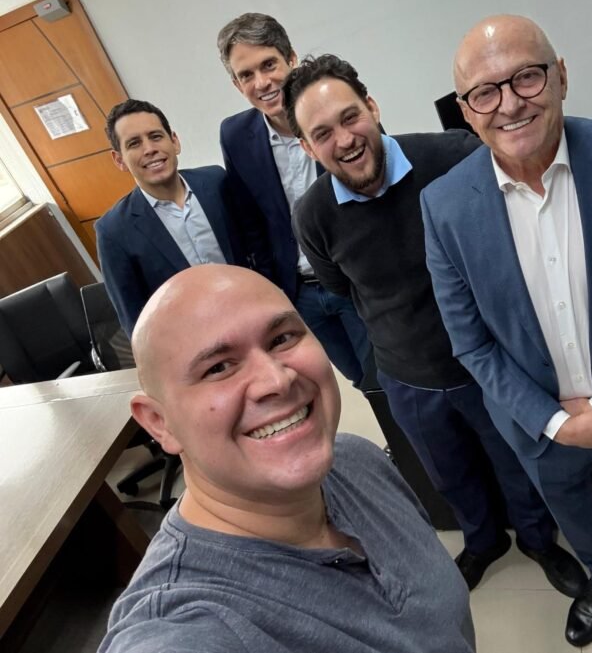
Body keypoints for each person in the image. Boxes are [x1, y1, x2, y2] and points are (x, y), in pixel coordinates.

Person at [421, 14, 592, 647]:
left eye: (527, 77)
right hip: (539, 426)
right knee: (576, 517)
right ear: (465, 111)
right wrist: (556, 423)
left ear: (561, 75)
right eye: (484, 92)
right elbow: (471, 342)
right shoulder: (443, 207)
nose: (509, 103)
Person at [283, 54, 586, 595]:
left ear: (372, 107)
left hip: (488, 366)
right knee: (450, 476)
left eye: (350, 117)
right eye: (322, 134)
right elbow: (341, 289)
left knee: (517, 465)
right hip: (407, 376)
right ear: (307, 147)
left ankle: (539, 540)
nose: (344, 140)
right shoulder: (313, 215)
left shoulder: (453, 157)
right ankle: (483, 541)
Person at [97, 264, 476, 653]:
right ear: (159, 423)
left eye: (281, 338)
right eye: (218, 367)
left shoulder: (357, 460)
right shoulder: (184, 626)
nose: (277, 380)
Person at [216, 13, 371, 385]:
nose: (262, 82)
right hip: (299, 294)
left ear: (291, 58)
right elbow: (252, 225)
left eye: (269, 65)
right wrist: (274, 296)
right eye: (246, 75)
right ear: (236, 84)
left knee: (388, 378)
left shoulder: (337, 112)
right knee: (357, 380)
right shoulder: (235, 135)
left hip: (354, 282)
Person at [96, 99, 254, 336]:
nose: (149, 149)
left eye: (156, 136)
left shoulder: (216, 181)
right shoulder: (113, 230)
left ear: (175, 141)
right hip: (193, 339)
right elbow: (135, 321)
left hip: (252, 311)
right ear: (119, 160)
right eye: (134, 143)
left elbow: (254, 243)